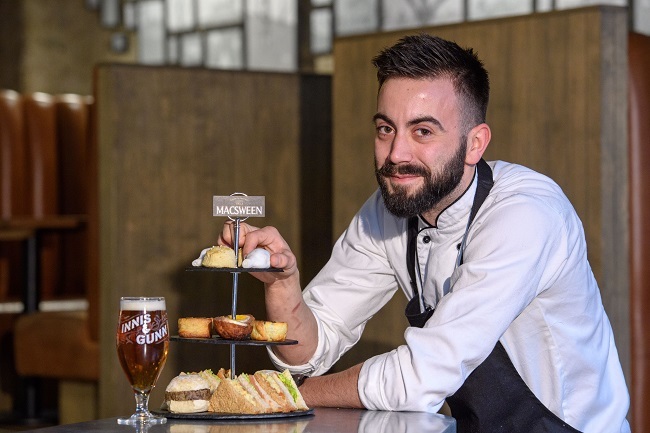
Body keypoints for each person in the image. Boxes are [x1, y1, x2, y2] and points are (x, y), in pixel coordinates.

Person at [219, 34, 630, 432]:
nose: (396, 154)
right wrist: (283, 286)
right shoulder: (388, 211)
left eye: (423, 132)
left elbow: (420, 378)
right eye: (385, 129)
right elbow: (313, 347)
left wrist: (293, 396)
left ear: (475, 144)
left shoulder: (525, 214)